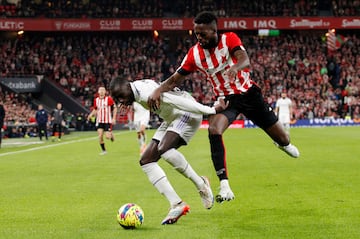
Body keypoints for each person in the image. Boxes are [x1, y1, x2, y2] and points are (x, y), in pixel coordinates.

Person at [147, 11, 300, 204]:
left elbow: (245, 59)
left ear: (214, 31)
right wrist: (158, 90)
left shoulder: (229, 39)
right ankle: (224, 185)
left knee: (285, 139)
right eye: (196, 34)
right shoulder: (194, 54)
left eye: (203, 34)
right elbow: (175, 78)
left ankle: (281, 143)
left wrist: (235, 68)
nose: (199, 38)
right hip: (226, 100)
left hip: (250, 95)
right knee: (213, 129)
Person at [109, 77, 228, 225]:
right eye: (118, 99)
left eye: (121, 97)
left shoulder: (146, 94)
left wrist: (211, 110)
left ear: (126, 88)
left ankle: (201, 184)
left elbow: (179, 102)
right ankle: (176, 204)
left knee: (165, 149)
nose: (122, 102)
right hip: (172, 118)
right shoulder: (136, 89)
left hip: (186, 113)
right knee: (146, 161)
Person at [87, 86, 117, 155]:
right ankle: (104, 151)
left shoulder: (108, 99)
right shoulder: (96, 100)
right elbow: (95, 109)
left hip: (107, 121)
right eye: (100, 90)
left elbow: (115, 108)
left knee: (107, 137)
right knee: (100, 136)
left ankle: (111, 135)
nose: (102, 91)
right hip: (99, 120)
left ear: (105, 92)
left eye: (103, 90)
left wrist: (114, 118)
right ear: (98, 92)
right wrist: (90, 115)